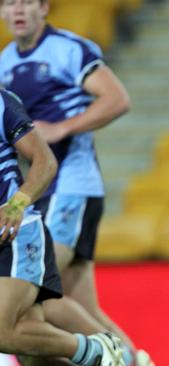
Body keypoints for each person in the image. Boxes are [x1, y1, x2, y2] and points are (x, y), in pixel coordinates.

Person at [0, 1, 152, 365]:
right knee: (76, 301)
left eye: (26, 1)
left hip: (71, 185)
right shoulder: (4, 60)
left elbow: (117, 98)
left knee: (43, 294)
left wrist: (63, 128)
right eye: (9, 2)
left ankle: (115, 357)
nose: (17, 10)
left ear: (44, 7)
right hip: (41, 193)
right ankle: (134, 359)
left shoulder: (68, 48)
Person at [0, 88, 125, 366]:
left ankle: (96, 347)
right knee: (33, 355)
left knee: (2, 331)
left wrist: (17, 205)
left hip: (17, 234)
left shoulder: (2, 102)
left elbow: (45, 162)